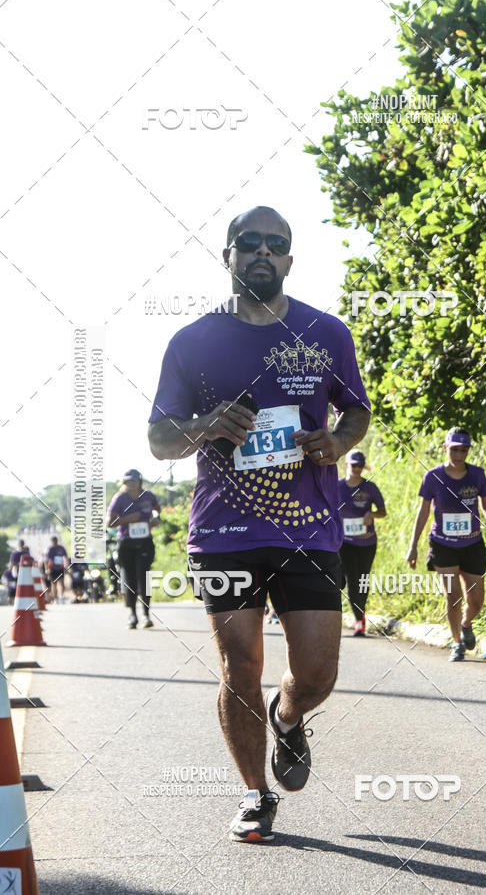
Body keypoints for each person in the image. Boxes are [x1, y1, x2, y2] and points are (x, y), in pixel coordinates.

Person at [148, 205, 370, 843]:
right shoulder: (192, 342)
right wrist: (205, 424)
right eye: (249, 242)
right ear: (229, 255)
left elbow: (356, 411)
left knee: (318, 673)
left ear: (290, 260)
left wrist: (336, 441)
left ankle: (289, 715)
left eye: (276, 243)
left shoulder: (326, 333)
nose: (262, 252)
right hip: (225, 534)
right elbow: (160, 439)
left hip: (308, 529)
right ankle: (254, 795)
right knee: (239, 667)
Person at [406, 427, 486, 662]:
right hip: (443, 545)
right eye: (454, 449)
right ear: (445, 448)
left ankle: (466, 624)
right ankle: (456, 643)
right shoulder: (433, 477)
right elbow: (423, 511)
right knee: (453, 597)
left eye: (464, 450)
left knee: (476, 600)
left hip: (472, 543)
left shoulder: (477, 475)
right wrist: (413, 546)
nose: (459, 455)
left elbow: (485, 505)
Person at [338, 449, 386, 637]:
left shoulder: (369, 487)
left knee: (363, 579)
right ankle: (359, 620)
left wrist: (371, 514)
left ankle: (361, 612)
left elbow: (382, 511)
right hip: (345, 541)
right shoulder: (337, 487)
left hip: (367, 541)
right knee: (352, 579)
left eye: (360, 465)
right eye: (353, 465)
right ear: (346, 465)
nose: (356, 469)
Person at [106, 470, 161, 628]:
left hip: (145, 543)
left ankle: (146, 614)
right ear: (124, 483)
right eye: (129, 481)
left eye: (135, 480)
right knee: (130, 579)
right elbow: (109, 522)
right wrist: (127, 519)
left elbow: (157, 509)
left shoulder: (148, 496)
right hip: (127, 544)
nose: (132, 484)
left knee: (144, 576)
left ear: (140, 481)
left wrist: (156, 518)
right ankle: (132, 615)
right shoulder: (120, 498)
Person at [45, 536, 68, 604]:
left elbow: (65, 557)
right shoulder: (50, 549)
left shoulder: (61, 548)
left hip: (60, 568)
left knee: (61, 583)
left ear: (57, 541)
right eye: (53, 541)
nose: (55, 543)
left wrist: (66, 566)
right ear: (52, 542)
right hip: (52, 568)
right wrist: (46, 569)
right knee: (53, 584)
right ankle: (55, 598)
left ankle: (61, 596)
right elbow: (46, 560)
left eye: (56, 541)